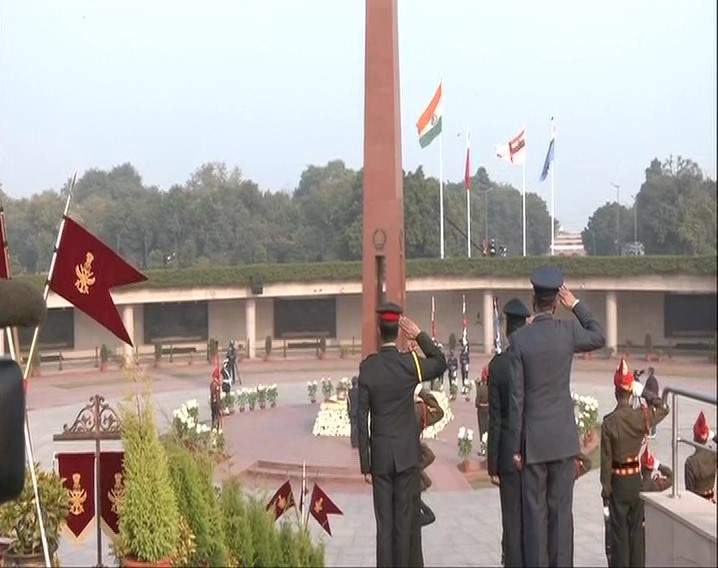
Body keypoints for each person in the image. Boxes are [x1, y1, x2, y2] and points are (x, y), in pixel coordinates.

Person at [508, 266, 606, 567]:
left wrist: (515, 447)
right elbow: (599, 336)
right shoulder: (567, 332)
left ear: (534, 299)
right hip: (563, 441)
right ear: (556, 299)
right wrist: (575, 303)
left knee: (535, 517)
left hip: (534, 442)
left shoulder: (520, 340)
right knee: (561, 516)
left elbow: (517, 398)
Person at [357, 302, 447, 568]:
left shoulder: (368, 368)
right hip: (407, 457)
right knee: (405, 523)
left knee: (384, 526)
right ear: (398, 331)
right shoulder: (410, 364)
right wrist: (419, 335)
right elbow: (440, 362)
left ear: (377, 330)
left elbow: (361, 418)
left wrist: (366, 463)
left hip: (381, 459)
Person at [600, 357, 669, 568]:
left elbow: (606, 461)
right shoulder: (641, 417)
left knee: (619, 535)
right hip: (636, 480)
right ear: (631, 393)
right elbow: (663, 407)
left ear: (615, 393)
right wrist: (644, 392)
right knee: (636, 532)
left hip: (618, 483)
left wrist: (606, 489)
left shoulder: (609, 422)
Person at [487, 297, 532, 568]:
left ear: (506, 329)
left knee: (511, 520)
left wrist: (493, 463)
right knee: (533, 516)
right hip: (532, 448)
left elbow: (494, 418)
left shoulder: (498, 365)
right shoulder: (532, 361)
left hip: (506, 452)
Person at [409, 385, 445, 568]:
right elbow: (439, 412)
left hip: (394, 471)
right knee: (414, 531)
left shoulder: (394, 407)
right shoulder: (419, 410)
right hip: (412, 472)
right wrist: (422, 391)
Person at [684, 411, 717, 503]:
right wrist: (713, 436)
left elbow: (689, 489)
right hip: (710, 499)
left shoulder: (690, 462)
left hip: (697, 501)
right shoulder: (713, 455)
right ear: (707, 438)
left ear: (694, 439)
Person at [475, 366, 489, 456]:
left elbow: (476, 403)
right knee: (488, 428)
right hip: (489, 409)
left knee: (482, 428)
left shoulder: (481, 388)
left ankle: (483, 449)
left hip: (481, 410)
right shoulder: (491, 387)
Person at [347, 375, 359, 449]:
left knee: (352, 427)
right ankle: (357, 442)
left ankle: (353, 443)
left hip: (351, 411)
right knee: (358, 427)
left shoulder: (349, 392)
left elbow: (348, 403)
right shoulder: (360, 392)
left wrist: (348, 411)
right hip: (358, 412)